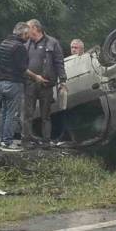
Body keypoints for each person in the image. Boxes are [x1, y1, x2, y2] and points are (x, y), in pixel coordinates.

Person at [23, 19, 67, 149]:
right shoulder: (26, 43)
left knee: (45, 115)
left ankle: (46, 141)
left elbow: (59, 62)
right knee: (27, 114)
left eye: (28, 28)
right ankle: (26, 140)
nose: (26, 31)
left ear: (35, 28)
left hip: (46, 84)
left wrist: (63, 80)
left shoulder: (52, 43)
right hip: (30, 83)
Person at [0, 22, 38, 151]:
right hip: (13, 83)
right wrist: (36, 77)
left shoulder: (3, 43)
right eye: (27, 35)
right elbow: (23, 69)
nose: (28, 37)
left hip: (1, 82)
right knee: (12, 114)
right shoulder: (19, 47)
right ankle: (8, 142)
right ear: (23, 33)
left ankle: (3, 140)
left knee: (4, 111)